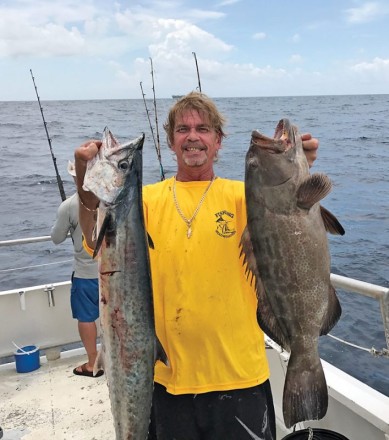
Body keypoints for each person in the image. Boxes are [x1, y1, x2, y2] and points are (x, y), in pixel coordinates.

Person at [74, 92, 319, 439]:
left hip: (240, 378)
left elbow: (293, 231)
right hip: (163, 379)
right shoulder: (143, 201)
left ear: (218, 141)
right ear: (171, 141)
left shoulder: (245, 196)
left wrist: (299, 173)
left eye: (203, 129)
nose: (193, 136)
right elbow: (95, 239)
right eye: (183, 129)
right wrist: (84, 185)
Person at [50, 161, 103, 378]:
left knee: (86, 317)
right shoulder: (110, 200)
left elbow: (56, 238)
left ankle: (93, 363)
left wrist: (68, 220)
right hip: (115, 273)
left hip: (85, 275)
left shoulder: (69, 205)